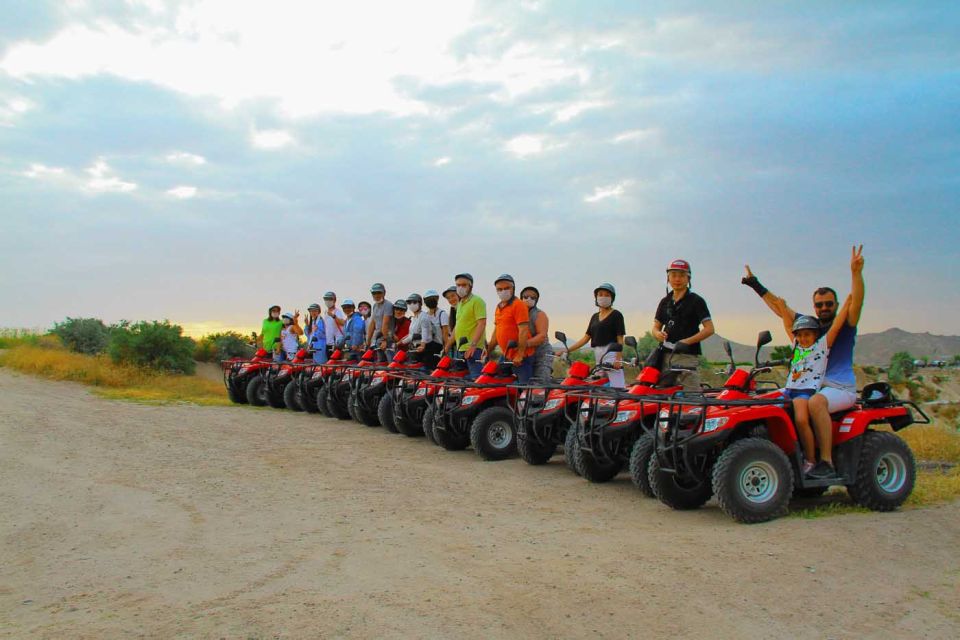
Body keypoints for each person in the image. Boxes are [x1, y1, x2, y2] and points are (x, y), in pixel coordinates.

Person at [742, 245, 866, 479]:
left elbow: (856, 302)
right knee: (760, 402)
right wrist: (755, 285)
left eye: (829, 304)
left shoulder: (845, 325)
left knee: (816, 403)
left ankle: (825, 462)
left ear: (836, 305)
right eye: (819, 305)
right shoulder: (809, 330)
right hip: (807, 386)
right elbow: (781, 309)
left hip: (838, 388)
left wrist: (856, 274)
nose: (824, 308)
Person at [774, 297, 852, 476]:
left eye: (807, 334)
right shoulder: (796, 346)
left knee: (801, 419)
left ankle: (810, 460)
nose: (803, 338)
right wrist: (782, 307)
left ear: (816, 335)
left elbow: (837, 326)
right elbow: (788, 325)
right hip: (789, 389)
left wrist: (848, 302)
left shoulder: (822, 347)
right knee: (763, 406)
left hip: (805, 391)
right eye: (800, 335)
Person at [652, 259, 715, 390]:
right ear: (668, 278)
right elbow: (655, 327)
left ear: (688, 278)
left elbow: (709, 329)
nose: (677, 279)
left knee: (691, 393)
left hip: (687, 355)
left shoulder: (696, 301)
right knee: (663, 393)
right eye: (673, 275)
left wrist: (687, 341)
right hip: (665, 355)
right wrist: (658, 334)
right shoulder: (665, 301)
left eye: (681, 275)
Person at [556, 283, 626, 387]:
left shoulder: (616, 315)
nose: (603, 297)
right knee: (597, 384)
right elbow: (586, 338)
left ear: (612, 298)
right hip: (598, 352)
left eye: (607, 295)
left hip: (611, 352)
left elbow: (620, 338)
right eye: (600, 294)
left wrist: (618, 359)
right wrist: (567, 350)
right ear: (596, 298)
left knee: (617, 385)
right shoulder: (594, 317)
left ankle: (619, 402)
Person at [485, 274, 534, 383]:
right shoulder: (499, 307)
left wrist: (520, 354)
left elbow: (523, 330)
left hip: (522, 356)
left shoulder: (519, 305)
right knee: (497, 382)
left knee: (524, 389)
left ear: (513, 288)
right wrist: (488, 350)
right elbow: (497, 330)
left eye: (507, 288)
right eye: (500, 289)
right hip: (507, 354)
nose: (503, 291)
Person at [452, 273, 487, 377]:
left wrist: (473, 345)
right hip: (460, 348)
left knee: (476, 379)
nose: (460, 288)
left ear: (470, 286)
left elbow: (482, 323)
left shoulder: (477, 301)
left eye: (464, 285)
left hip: (473, 349)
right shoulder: (460, 304)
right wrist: (448, 345)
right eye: (458, 285)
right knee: (461, 381)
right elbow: (458, 326)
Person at [520, 286, 554, 382]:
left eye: (533, 297)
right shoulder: (516, 314)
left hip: (542, 354)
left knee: (539, 384)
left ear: (537, 300)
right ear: (520, 298)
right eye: (525, 297)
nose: (528, 299)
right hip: (525, 354)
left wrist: (523, 344)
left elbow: (541, 336)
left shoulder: (539, 314)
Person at [421, 289, 448, 369]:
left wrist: (446, 349)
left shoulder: (442, 314)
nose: (431, 301)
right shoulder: (425, 315)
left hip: (439, 346)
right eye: (428, 299)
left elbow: (445, 332)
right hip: (427, 347)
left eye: (433, 298)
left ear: (437, 299)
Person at [365, 283, 394, 350]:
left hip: (387, 337)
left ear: (384, 293)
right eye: (374, 293)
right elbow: (372, 323)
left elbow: (385, 323)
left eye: (379, 292)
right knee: (379, 359)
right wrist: (368, 341)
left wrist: (384, 340)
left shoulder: (388, 305)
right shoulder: (375, 306)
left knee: (389, 359)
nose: (376, 295)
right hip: (378, 337)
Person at [322, 291, 346, 356]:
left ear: (334, 300)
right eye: (326, 299)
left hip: (336, 344)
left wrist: (333, 316)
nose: (328, 301)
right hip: (328, 343)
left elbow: (343, 323)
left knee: (336, 364)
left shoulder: (337, 311)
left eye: (330, 299)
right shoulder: (325, 312)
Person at [442, 285, 460, 356]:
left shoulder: (464, 309)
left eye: (453, 296)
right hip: (456, 345)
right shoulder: (453, 310)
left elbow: (457, 328)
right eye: (448, 298)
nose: (451, 299)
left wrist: (447, 346)